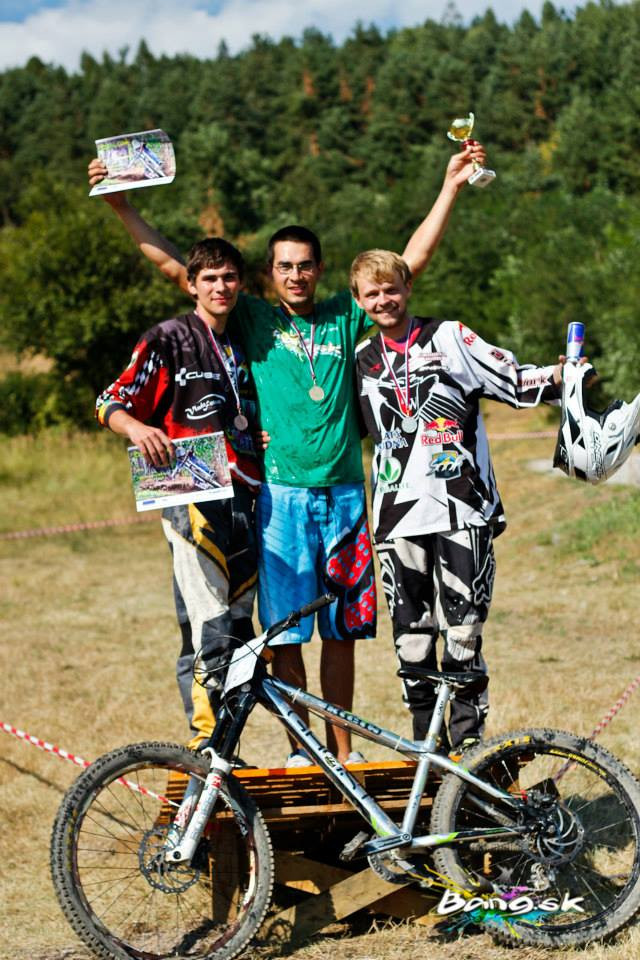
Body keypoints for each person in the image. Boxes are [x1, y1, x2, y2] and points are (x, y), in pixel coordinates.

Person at [88, 141, 488, 764]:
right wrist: (121, 207)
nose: (295, 275)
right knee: (284, 633)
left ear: (319, 270)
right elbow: (175, 266)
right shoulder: (253, 318)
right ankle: (305, 751)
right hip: (281, 499)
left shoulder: (344, 316)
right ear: (270, 274)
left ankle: (341, 750)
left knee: (343, 630)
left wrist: (451, 187)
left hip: (347, 495)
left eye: (304, 265)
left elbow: (408, 263)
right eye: (284, 266)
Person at [350, 249, 563, 752]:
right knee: (411, 639)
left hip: (461, 508)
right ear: (359, 301)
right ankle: (426, 747)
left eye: (391, 288)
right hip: (396, 518)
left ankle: (469, 748)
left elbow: (513, 381)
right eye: (372, 293)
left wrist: (562, 377)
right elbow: (343, 429)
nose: (384, 300)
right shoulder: (361, 358)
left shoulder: (449, 336)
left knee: (463, 635)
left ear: (408, 288)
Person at [96, 238, 261, 749]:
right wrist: (135, 428)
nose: (220, 286)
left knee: (240, 629)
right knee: (209, 623)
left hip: (248, 497)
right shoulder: (169, 337)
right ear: (191, 285)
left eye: (229, 277)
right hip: (191, 491)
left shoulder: (244, 341)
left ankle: (228, 749)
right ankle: (205, 749)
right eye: (209, 278)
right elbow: (111, 399)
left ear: (240, 283)